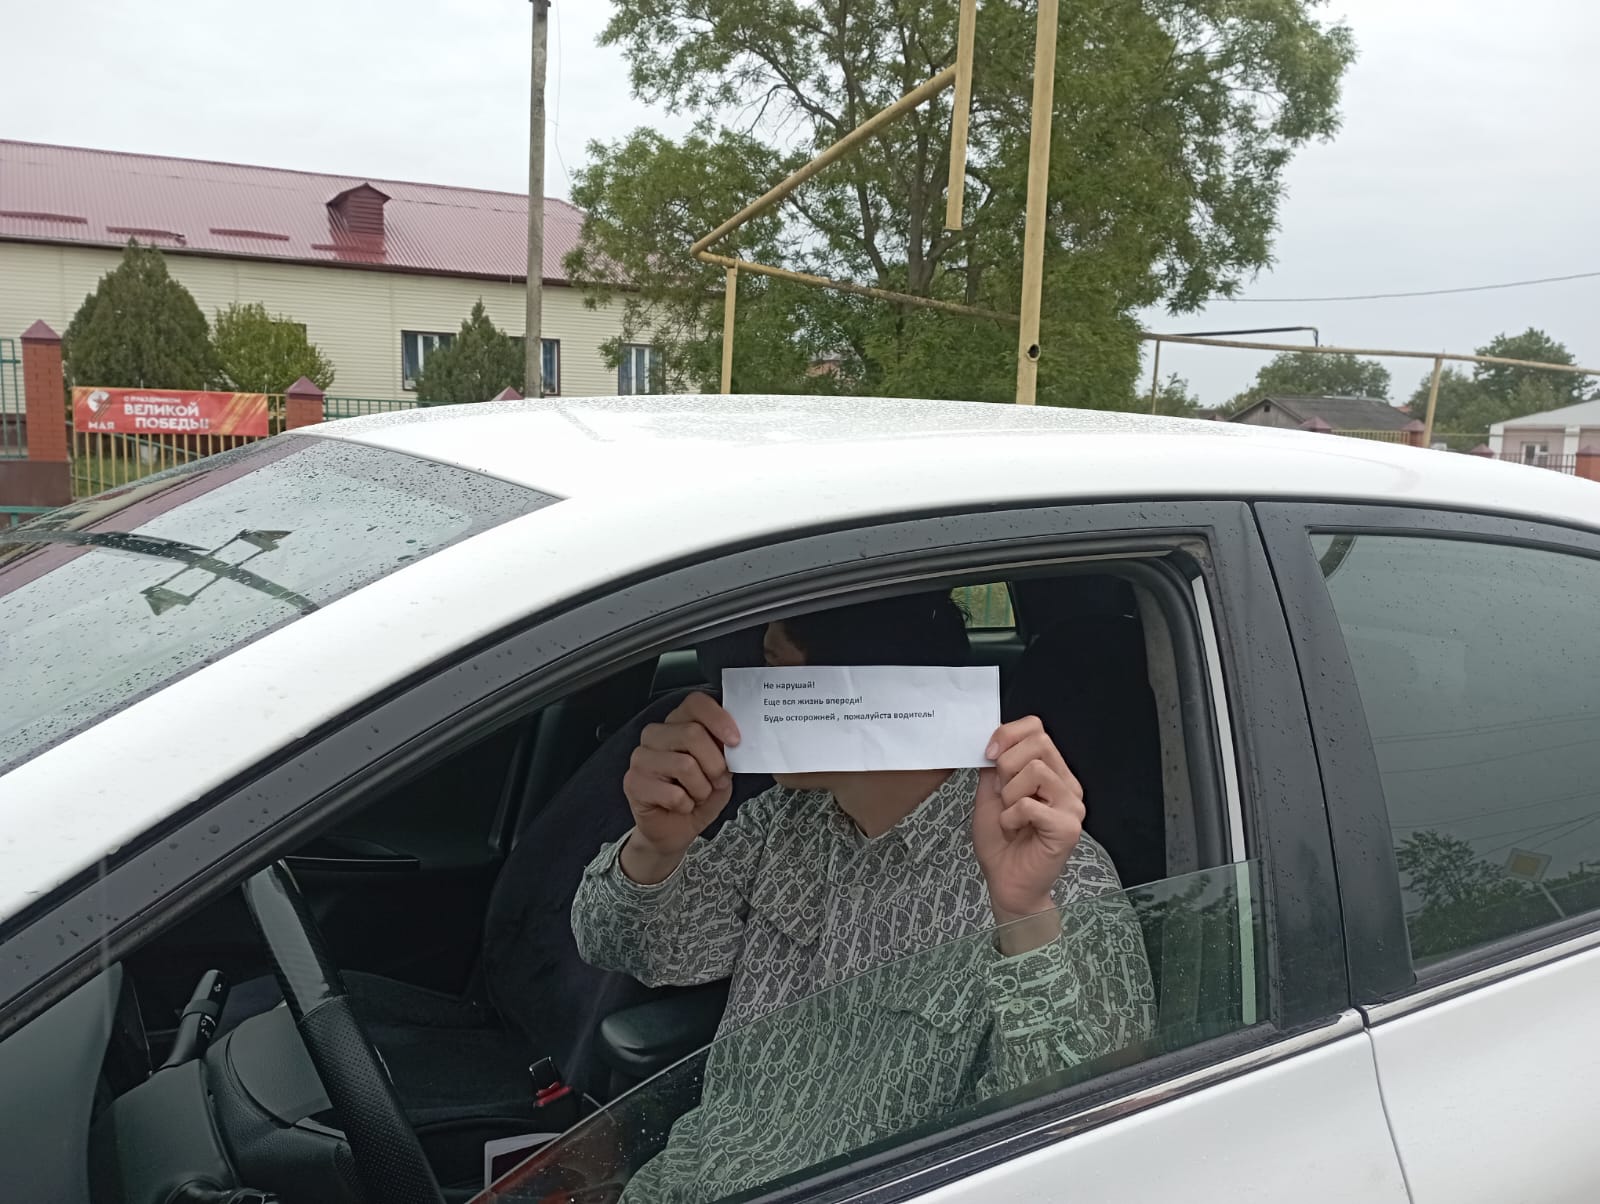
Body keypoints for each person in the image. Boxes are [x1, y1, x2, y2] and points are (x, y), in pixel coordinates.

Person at [571, 592, 1155, 1202]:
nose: (737, 702)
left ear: (858, 689)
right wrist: (655, 846)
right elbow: (629, 948)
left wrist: (1023, 915)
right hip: (685, 1182)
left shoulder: (1058, 878)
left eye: (771, 668)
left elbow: (1078, 1138)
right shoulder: (782, 820)